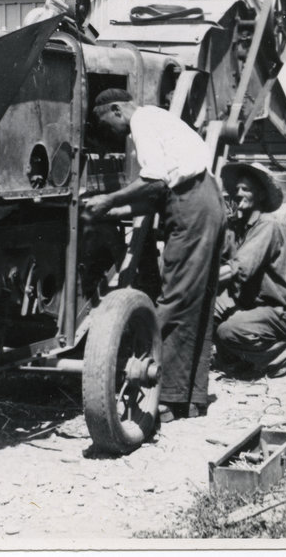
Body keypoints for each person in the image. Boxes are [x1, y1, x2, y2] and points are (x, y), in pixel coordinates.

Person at [82, 88, 226, 421]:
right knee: (196, 299)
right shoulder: (160, 119)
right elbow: (156, 193)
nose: (109, 133)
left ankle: (164, 397)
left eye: (104, 123)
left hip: (190, 205)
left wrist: (108, 200)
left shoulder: (143, 122)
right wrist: (113, 211)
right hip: (204, 200)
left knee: (174, 297)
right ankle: (190, 399)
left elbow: (156, 181)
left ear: (116, 110)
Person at [214, 162, 286, 377]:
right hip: (249, 306)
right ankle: (239, 358)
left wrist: (199, 280)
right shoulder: (238, 228)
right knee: (204, 312)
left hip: (276, 312)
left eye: (246, 189)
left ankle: (279, 352)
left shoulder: (267, 225)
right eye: (236, 189)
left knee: (228, 331)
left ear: (261, 195)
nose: (238, 194)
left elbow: (240, 268)